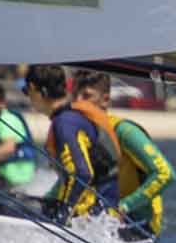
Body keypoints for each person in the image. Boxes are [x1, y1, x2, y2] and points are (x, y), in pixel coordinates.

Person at [69, 71, 176, 243]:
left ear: (105, 100)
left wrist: (124, 206)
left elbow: (166, 174)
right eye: (74, 96)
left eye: (86, 96)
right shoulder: (78, 134)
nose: (78, 102)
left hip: (139, 227)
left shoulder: (124, 131)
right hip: (101, 220)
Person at [24, 64, 115, 222]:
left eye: (27, 92)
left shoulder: (64, 123)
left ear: (36, 90)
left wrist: (63, 214)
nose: (29, 98)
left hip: (83, 214)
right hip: (90, 209)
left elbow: (83, 174)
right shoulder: (70, 119)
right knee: (15, 200)